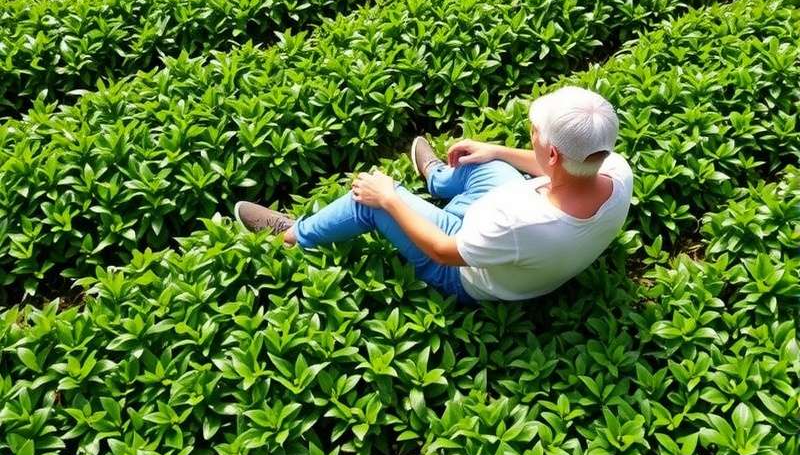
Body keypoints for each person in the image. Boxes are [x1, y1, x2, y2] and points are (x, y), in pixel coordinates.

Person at [234, 86, 634, 305]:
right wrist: (496, 151)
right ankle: (436, 179)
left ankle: (292, 235)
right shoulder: (615, 170)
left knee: (367, 199)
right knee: (487, 165)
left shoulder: (520, 223)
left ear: (552, 152)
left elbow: (443, 251)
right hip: (503, 230)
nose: (530, 132)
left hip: (463, 271)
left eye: (535, 131)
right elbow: (557, 166)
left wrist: (388, 198)